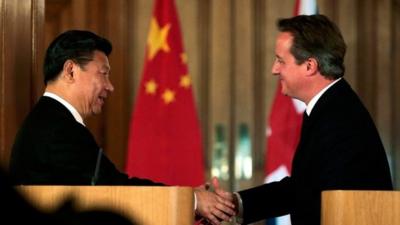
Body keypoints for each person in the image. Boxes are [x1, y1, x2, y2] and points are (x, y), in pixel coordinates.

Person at [9, 30, 234, 225]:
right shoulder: (58, 129)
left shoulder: (50, 121)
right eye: (104, 74)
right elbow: (116, 190)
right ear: (70, 71)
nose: (110, 86)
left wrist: (189, 197)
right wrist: (192, 200)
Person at [219, 14, 393, 225]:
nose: (274, 69)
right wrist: (235, 203)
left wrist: (232, 205)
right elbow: (305, 187)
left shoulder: (338, 117)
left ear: (310, 66)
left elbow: (310, 196)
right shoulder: (330, 106)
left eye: (281, 61)